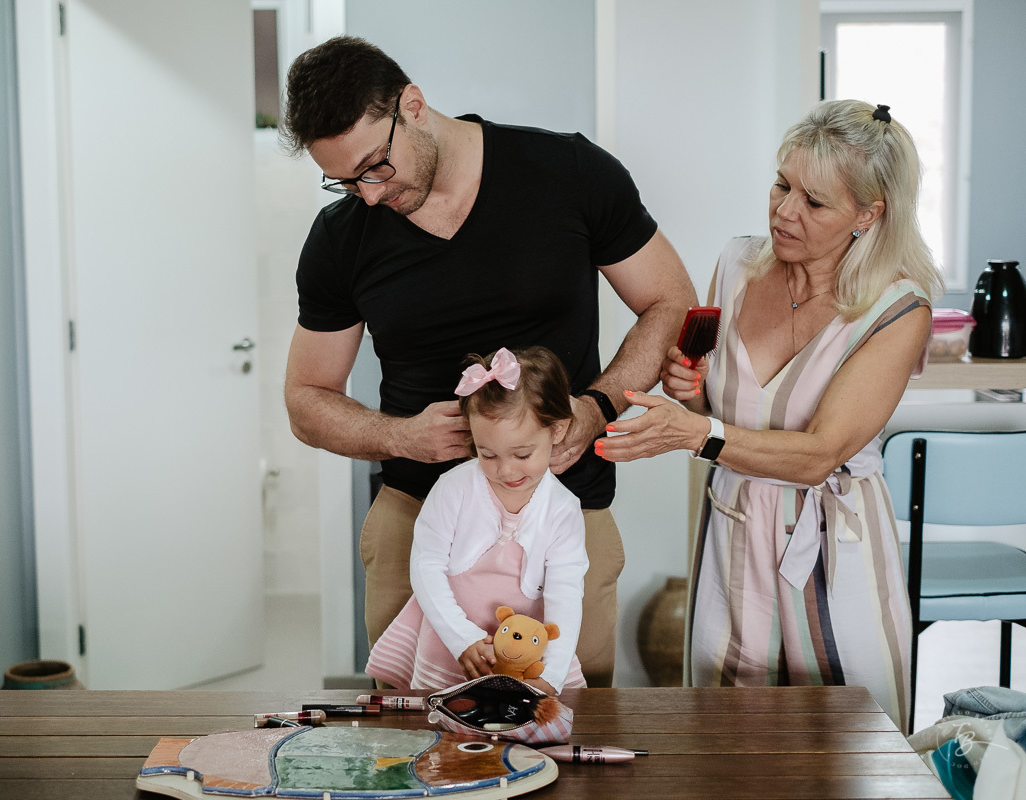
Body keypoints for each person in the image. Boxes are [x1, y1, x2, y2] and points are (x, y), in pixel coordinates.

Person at [281, 35, 697, 688]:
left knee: (570, 730)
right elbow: (307, 397)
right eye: (343, 180)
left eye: (375, 167)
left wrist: (598, 407)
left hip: (566, 519)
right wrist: (398, 435)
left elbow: (669, 301)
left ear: (411, 105)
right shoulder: (340, 238)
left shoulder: (570, 171)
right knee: (414, 747)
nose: (365, 195)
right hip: (417, 524)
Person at [594, 100, 945, 731]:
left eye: (814, 202)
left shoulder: (898, 310)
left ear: (870, 213)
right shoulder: (736, 264)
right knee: (727, 739)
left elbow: (818, 454)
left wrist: (696, 431)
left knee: (846, 745)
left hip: (835, 545)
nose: (784, 211)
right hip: (733, 532)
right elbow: (715, 404)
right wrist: (691, 391)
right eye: (782, 185)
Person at [365, 347, 588, 695]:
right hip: (451, 646)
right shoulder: (453, 489)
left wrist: (552, 673)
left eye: (523, 454)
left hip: (523, 654)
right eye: (488, 454)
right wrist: (462, 638)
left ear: (557, 430)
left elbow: (566, 593)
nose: (506, 470)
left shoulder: (563, 509)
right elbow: (426, 566)